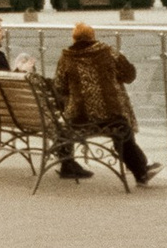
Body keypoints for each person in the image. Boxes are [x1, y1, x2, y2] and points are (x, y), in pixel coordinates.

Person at [52, 22, 156, 185]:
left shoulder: (66, 57)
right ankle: (141, 172)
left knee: (120, 127)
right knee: (122, 129)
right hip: (108, 118)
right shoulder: (107, 52)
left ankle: (67, 165)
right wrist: (111, 79)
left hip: (77, 120)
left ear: (74, 39)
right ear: (93, 37)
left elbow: (60, 86)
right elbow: (129, 75)